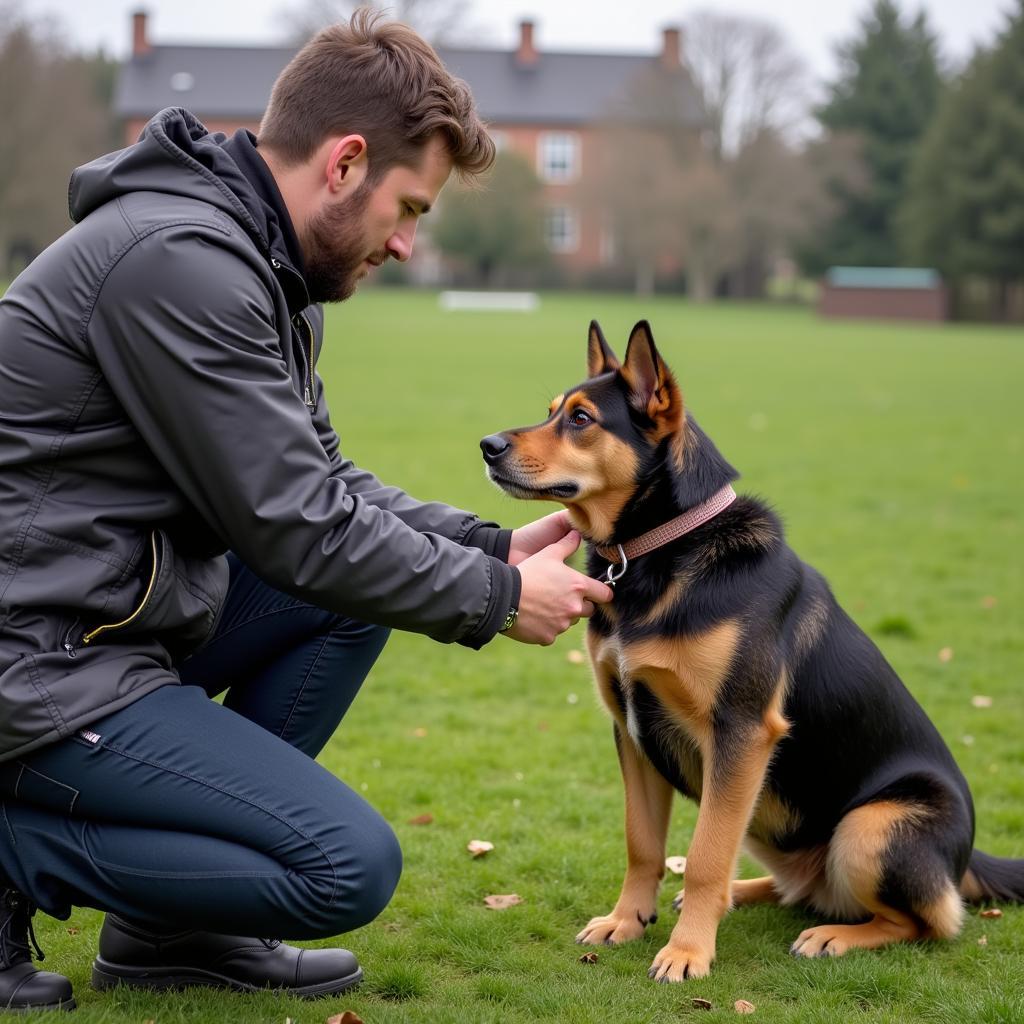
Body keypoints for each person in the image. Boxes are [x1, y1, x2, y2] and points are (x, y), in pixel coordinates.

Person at [0, 10, 613, 1012]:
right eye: (407, 208)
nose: (407, 244)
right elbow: (297, 525)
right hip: (38, 659)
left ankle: (169, 934)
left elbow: (328, 489)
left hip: (113, 621)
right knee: (345, 866)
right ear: (344, 163)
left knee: (351, 596)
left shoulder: (264, 277)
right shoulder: (180, 265)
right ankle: (14, 845)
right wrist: (497, 595)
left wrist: (492, 540)